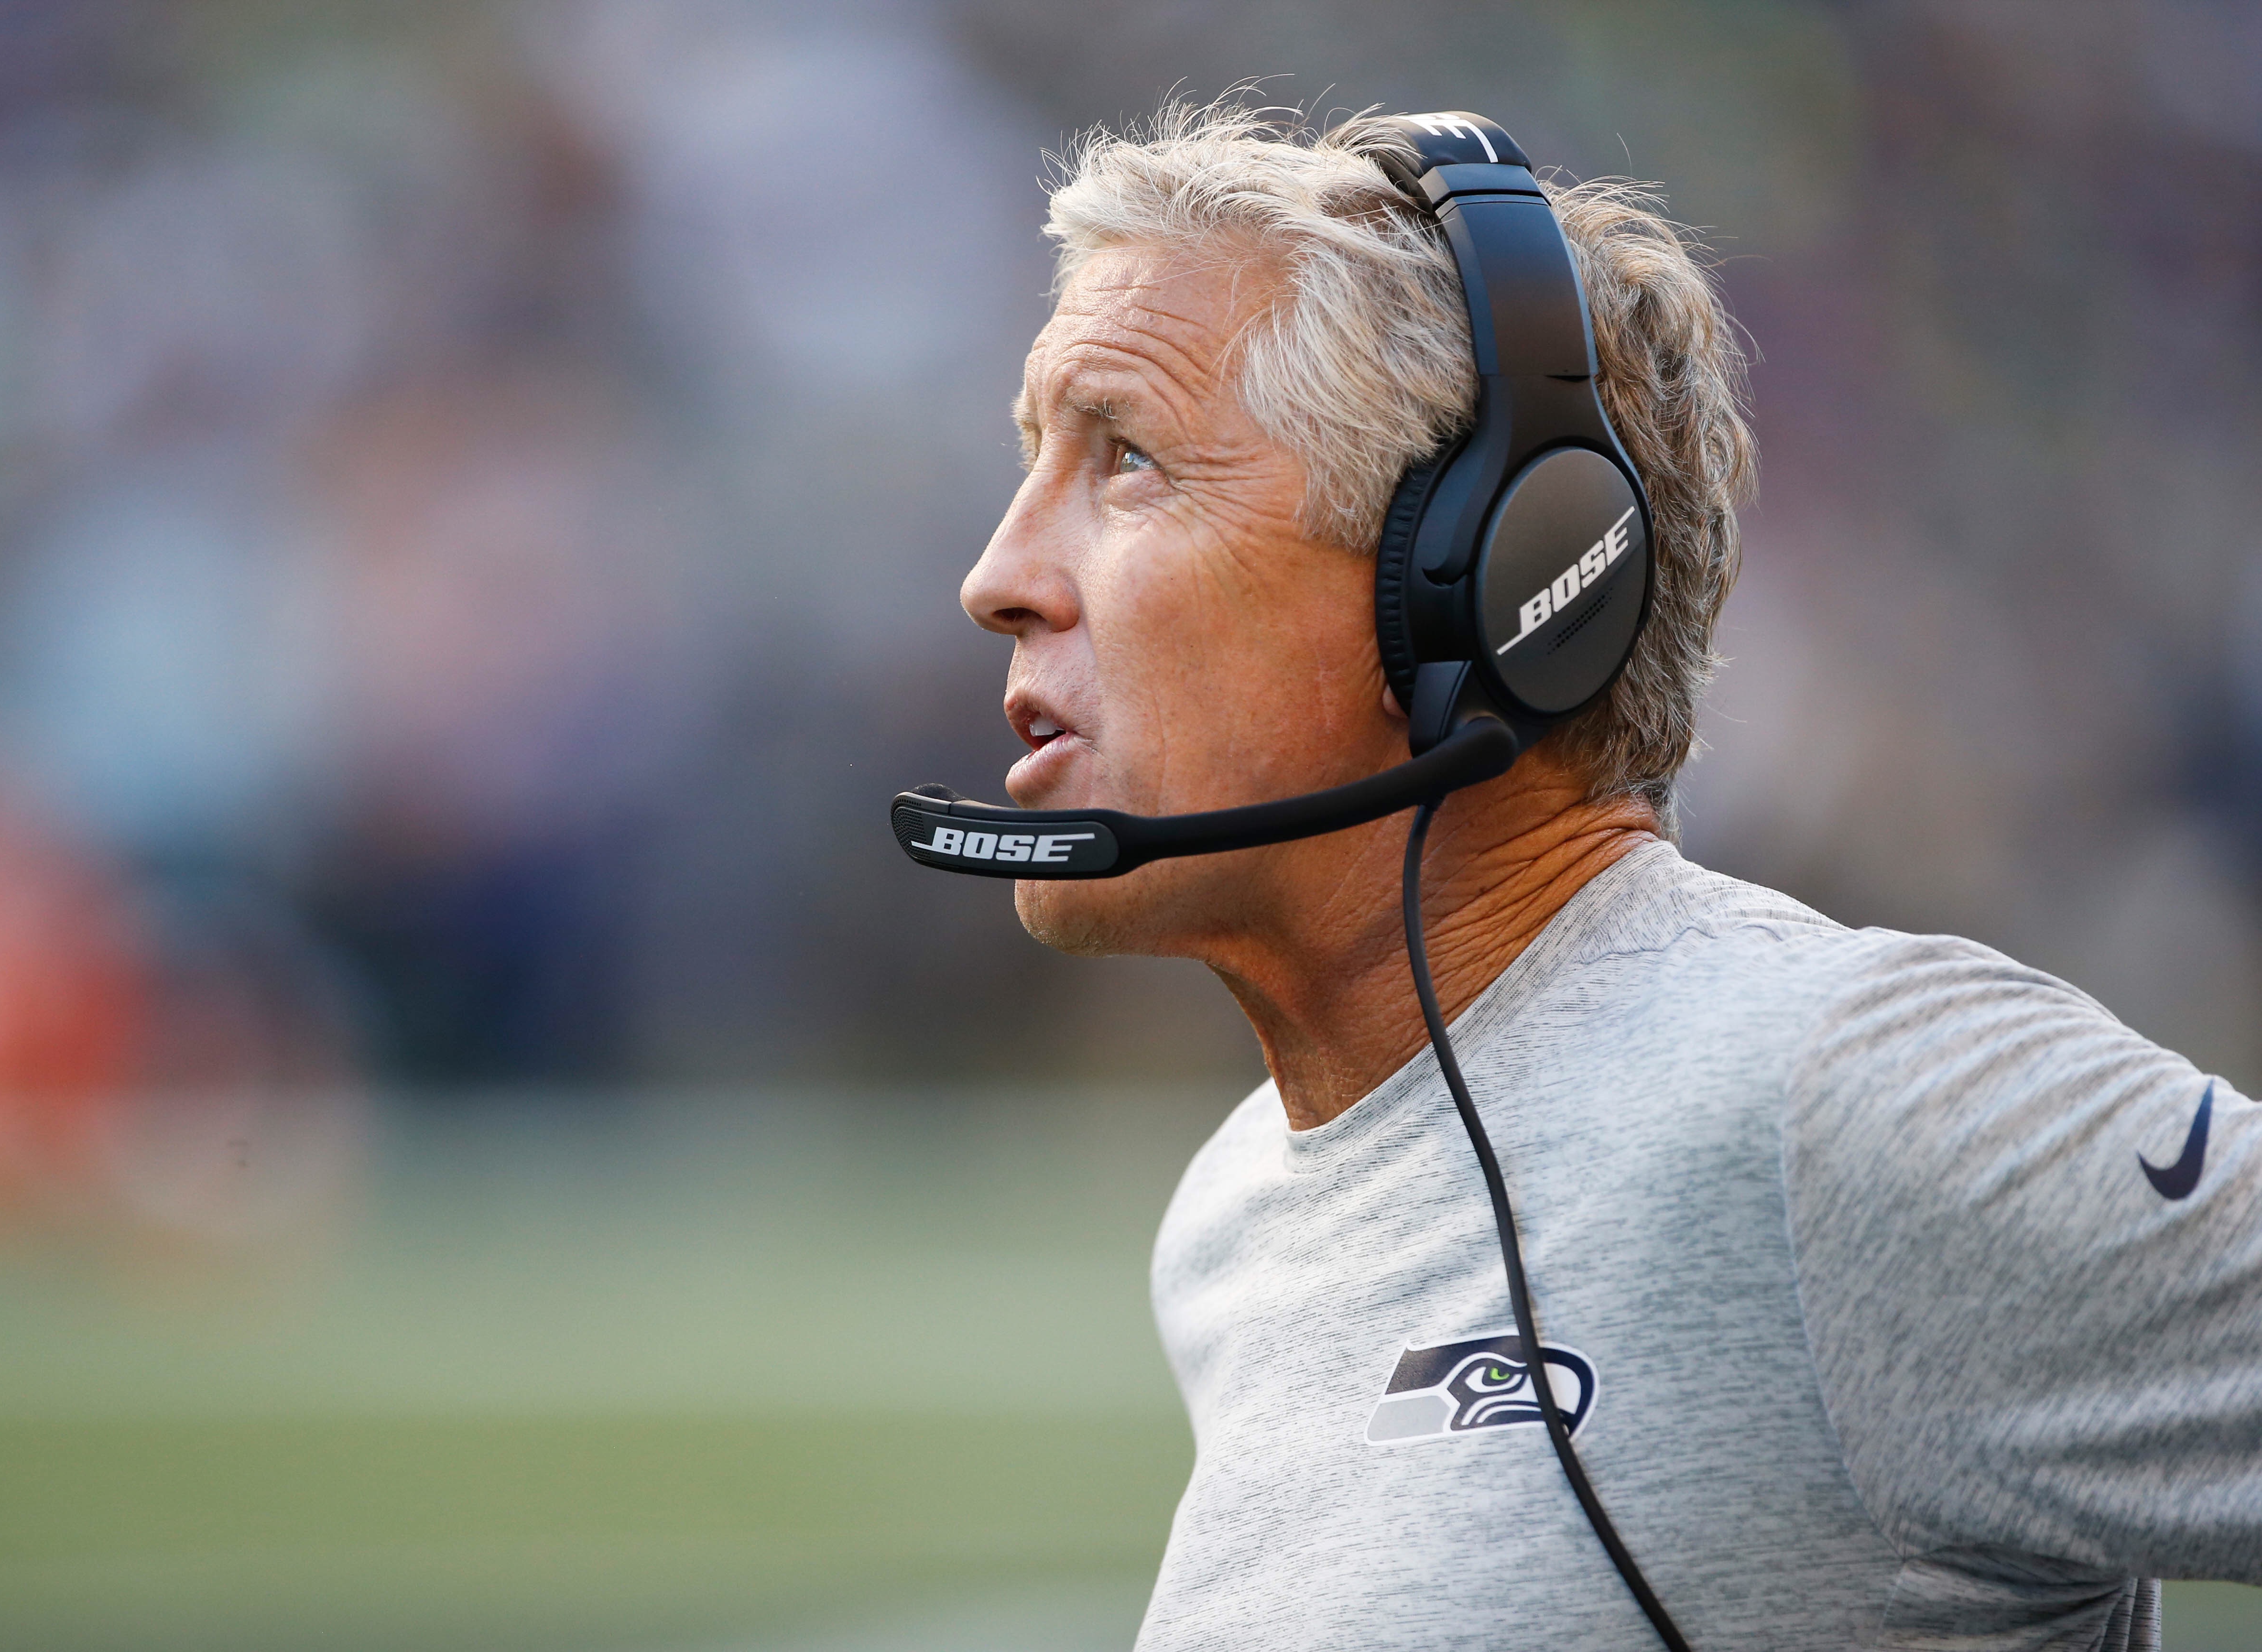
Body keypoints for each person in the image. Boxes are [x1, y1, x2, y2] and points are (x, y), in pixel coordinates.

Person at [950, 102, 2262, 1649]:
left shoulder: (1842, 1098)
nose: (999, 579)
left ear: (1477, 586)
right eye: (1039, 463)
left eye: (1133, 462)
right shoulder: (1236, 1212)